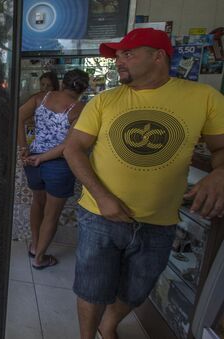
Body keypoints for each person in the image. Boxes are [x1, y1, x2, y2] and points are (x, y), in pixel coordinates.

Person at [62, 28, 224, 339]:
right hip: (99, 215)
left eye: (128, 54)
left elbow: (220, 148)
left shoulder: (203, 98)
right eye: (117, 56)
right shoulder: (104, 101)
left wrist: (220, 173)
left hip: (158, 221)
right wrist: (101, 196)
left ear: (158, 56)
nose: (119, 61)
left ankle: (108, 326)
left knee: (138, 289)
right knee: (91, 287)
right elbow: (73, 148)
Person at [17, 69, 89, 270]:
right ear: (84, 88)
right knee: (51, 214)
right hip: (58, 165)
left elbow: (18, 117)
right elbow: (67, 146)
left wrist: (25, 150)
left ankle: (34, 245)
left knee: (37, 203)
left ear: (62, 82)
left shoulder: (41, 98)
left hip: (33, 162)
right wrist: (42, 158)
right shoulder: (80, 109)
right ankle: (39, 258)